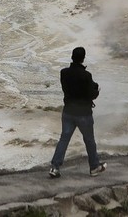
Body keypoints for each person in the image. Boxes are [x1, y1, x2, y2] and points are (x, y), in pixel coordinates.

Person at [48, 47, 106, 179]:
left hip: (68, 111)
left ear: (72, 57)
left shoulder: (64, 73)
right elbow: (91, 94)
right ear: (83, 58)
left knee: (64, 139)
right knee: (89, 140)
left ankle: (55, 167)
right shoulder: (86, 75)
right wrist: (97, 90)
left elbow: (68, 88)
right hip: (83, 113)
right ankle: (94, 167)